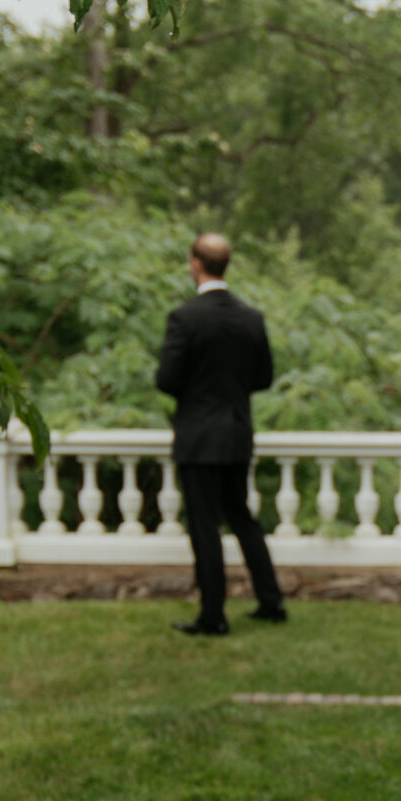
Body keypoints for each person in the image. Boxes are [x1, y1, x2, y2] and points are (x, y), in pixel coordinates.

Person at [155, 233, 286, 637]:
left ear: (195, 263)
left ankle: (213, 615)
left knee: (205, 525)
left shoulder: (185, 318)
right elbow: (263, 378)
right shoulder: (251, 318)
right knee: (242, 517)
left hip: (198, 435)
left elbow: (166, 380)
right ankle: (271, 601)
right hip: (237, 432)